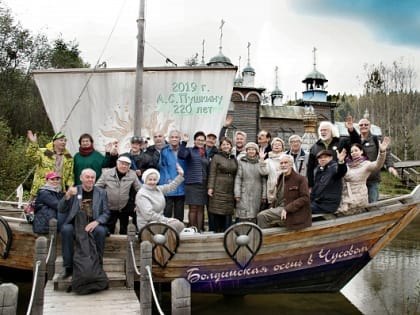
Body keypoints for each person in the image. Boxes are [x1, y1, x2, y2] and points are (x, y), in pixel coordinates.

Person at [58, 168, 110, 278]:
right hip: (76, 223)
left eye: (92, 177)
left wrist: (96, 222)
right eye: (87, 177)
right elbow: (61, 209)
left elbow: (106, 213)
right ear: (81, 178)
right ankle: (68, 267)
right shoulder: (74, 190)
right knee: (66, 230)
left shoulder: (101, 193)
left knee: (101, 231)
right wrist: (67, 195)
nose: (90, 179)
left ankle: (98, 264)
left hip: (93, 223)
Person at [349, 118, 399, 202]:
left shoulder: (376, 139)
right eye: (361, 125)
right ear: (358, 127)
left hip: (372, 178)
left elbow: (386, 154)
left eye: (366, 124)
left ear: (370, 126)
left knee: (373, 204)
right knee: (359, 205)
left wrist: (390, 166)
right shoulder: (354, 140)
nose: (363, 126)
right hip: (358, 180)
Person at [337, 138, 390, 216]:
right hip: (345, 201)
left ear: (361, 151)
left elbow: (378, 164)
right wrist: (340, 161)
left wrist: (382, 152)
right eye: (351, 151)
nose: (353, 153)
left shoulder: (366, 165)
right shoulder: (346, 165)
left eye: (356, 150)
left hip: (358, 202)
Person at [257, 154, 311, 230]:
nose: (283, 165)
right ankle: (268, 238)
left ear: (291, 164)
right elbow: (277, 196)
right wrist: (272, 207)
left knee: (262, 216)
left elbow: (305, 198)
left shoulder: (300, 179)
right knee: (263, 215)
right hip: (280, 208)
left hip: (294, 210)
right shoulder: (281, 178)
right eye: (281, 163)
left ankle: (266, 238)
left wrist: (287, 209)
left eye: (286, 163)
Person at [95, 155, 141, 234]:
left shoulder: (132, 174)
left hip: (124, 205)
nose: (124, 166)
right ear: (117, 163)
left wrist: (138, 204)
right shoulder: (107, 173)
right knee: (109, 228)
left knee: (124, 228)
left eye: (126, 164)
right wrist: (100, 202)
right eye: (122, 163)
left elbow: (140, 190)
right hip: (110, 206)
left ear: (129, 166)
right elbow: (97, 187)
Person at [306, 120, 356, 189]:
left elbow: (356, 143)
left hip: (338, 180)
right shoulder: (315, 147)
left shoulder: (341, 142)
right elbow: (310, 168)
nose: (323, 132)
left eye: (325, 130)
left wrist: (351, 130)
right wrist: (310, 185)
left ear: (332, 131)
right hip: (320, 183)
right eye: (321, 130)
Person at [136, 167, 185, 233]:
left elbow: (171, 187)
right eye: (150, 179)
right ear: (145, 180)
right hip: (147, 224)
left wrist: (180, 175)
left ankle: (168, 241)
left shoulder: (158, 189)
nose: (152, 182)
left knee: (179, 225)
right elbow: (148, 215)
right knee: (175, 225)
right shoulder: (142, 194)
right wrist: (166, 220)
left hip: (158, 221)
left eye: (154, 180)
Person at [26, 130, 74, 198]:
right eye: (61, 140)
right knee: (35, 208)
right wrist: (33, 144)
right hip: (41, 189)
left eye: (65, 140)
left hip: (58, 191)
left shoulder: (69, 157)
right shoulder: (44, 152)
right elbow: (31, 156)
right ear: (54, 142)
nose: (64, 142)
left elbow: (70, 176)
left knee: (56, 207)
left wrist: (70, 188)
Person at [178, 131, 210, 232]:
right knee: (193, 208)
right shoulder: (190, 150)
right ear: (195, 141)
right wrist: (184, 142)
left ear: (205, 142)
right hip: (192, 183)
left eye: (202, 140)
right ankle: (193, 229)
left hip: (203, 183)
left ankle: (199, 229)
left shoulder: (206, 153)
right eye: (198, 140)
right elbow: (181, 155)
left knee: (201, 208)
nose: (200, 142)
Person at [207, 138, 238, 232]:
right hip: (218, 186)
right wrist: (210, 187)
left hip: (230, 187)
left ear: (231, 146)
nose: (225, 146)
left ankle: (227, 231)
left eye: (227, 144)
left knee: (227, 210)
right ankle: (215, 231)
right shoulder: (216, 157)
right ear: (220, 146)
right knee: (216, 209)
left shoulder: (233, 158)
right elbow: (212, 173)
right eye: (223, 144)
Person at [234, 142, 267, 222]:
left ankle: (254, 232)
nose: (251, 151)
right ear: (246, 151)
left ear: (256, 151)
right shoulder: (241, 162)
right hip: (244, 192)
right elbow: (238, 178)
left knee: (255, 215)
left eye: (253, 149)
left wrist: (264, 195)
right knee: (243, 214)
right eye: (249, 149)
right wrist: (237, 193)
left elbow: (264, 180)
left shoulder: (260, 162)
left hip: (257, 192)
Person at [159, 130, 187, 222]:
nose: (174, 139)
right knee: (167, 211)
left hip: (181, 185)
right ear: (169, 139)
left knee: (179, 212)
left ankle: (178, 231)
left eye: (176, 137)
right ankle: (166, 231)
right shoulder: (164, 151)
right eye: (172, 137)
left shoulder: (184, 150)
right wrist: (167, 178)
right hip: (168, 183)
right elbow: (162, 166)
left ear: (179, 139)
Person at [311, 149, 347, 214]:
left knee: (302, 210)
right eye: (320, 158)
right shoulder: (318, 170)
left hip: (328, 205)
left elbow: (341, 172)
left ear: (331, 158)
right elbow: (315, 189)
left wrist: (341, 162)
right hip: (317, 203)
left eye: (325, 157)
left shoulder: (334, 167)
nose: (322, 159)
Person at [258, 137, 286, 206]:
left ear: (282, 148)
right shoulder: (268, 161)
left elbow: (293, 172)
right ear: (272, 147)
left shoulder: (287, 158)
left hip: (284, 188)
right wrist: (262, 160)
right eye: (275, 144)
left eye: (279, 145)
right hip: (272, 189)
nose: (276, 146)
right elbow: (263, 172)